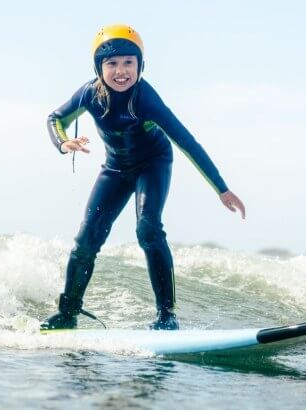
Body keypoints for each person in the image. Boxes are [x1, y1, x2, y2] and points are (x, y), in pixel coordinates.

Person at [42, 24, 245, 331]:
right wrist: (63, 143)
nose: (120, 71)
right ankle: (68, 313)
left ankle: (166, 315)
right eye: (111, 64)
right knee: (86, 239)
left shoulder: (146, 99)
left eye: (128, 63)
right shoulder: (89, 94)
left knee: (148, 228)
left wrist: (222, 188)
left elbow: (187, 142)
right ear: (99, 68)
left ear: (140, 66)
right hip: (115, 169)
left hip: (153, 164)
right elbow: (55, 118)